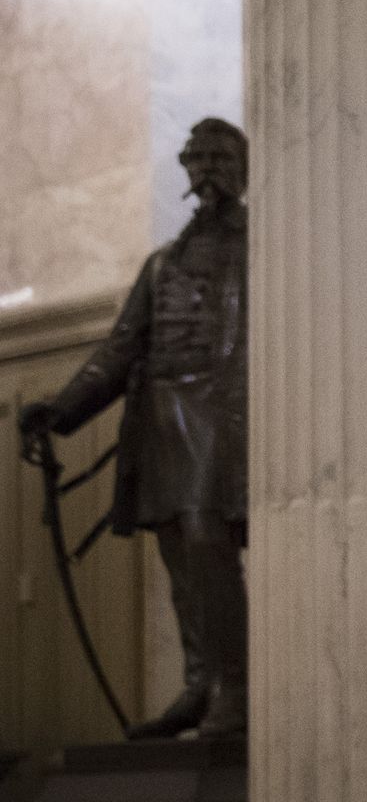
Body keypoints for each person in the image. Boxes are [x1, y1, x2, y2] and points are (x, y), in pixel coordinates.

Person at [17, 117, 250, 739]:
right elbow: (120, 349)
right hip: (163, 420)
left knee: (207, 540)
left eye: (217, 158)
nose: (204, 171)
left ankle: (239, 687)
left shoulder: (263, 249)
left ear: (240, 168)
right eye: (194, 159)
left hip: (223, 413)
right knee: (177, 546)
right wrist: (62, 411)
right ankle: (201, 683)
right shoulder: (160, 263)